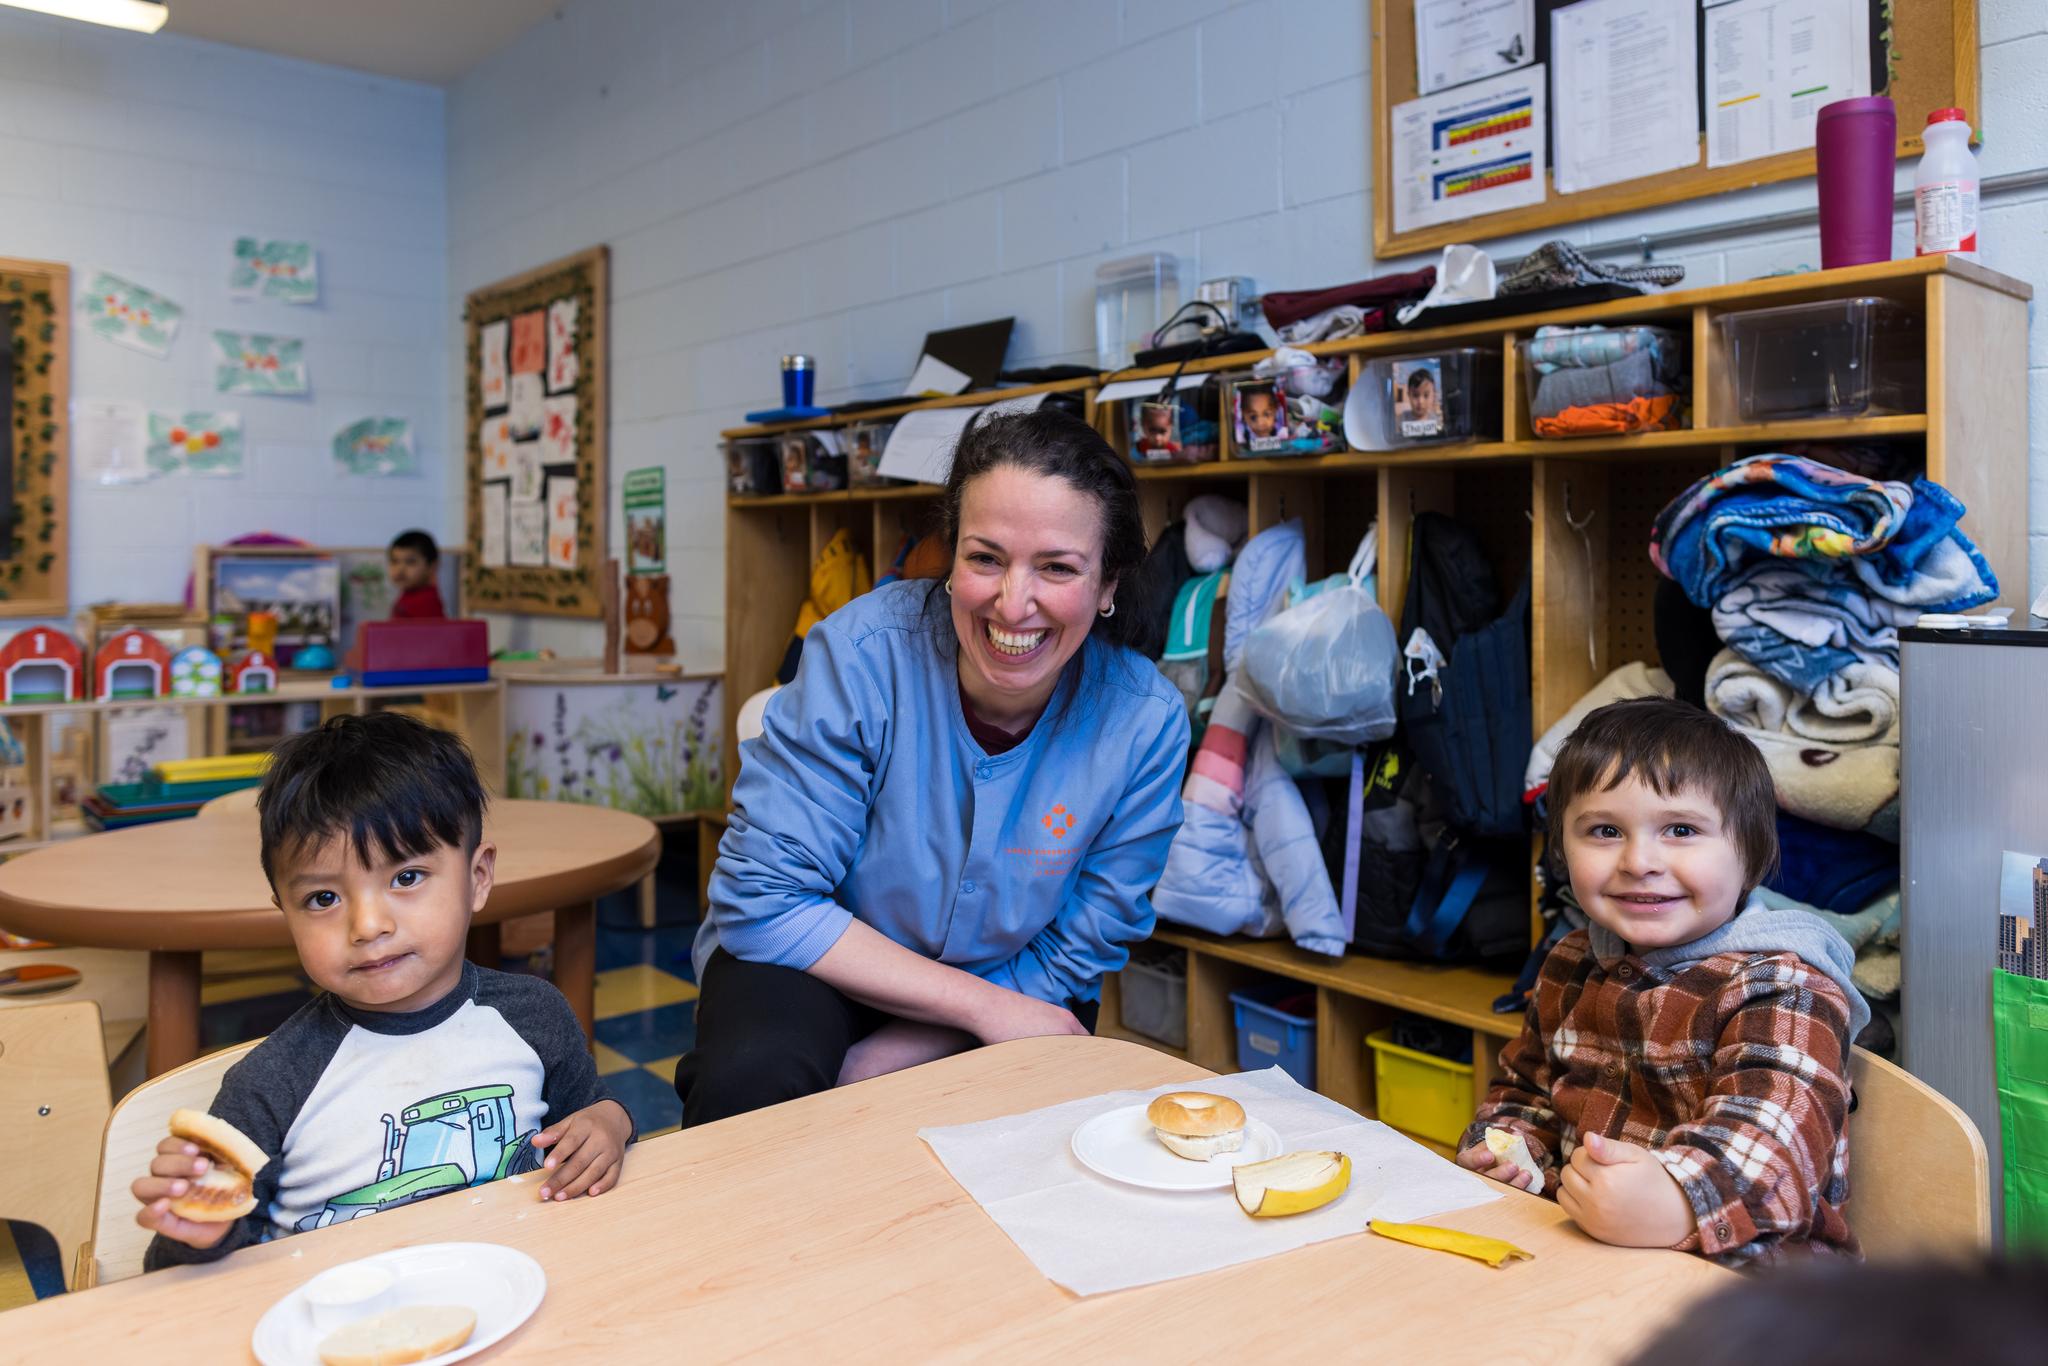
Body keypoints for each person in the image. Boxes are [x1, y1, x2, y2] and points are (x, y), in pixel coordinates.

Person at [677, 408, 1191, 1125]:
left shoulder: (1145, 722)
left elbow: (1081, 943)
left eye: (1057, 567)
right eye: (986, 558)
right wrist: (976, 1010)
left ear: (1109, 584)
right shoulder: (861, 656)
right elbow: (765, 903)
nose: (1013, 603)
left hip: (1023, 981)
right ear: (951, 558)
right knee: (753, 1078)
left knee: (1036, 1142)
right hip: (820, 960)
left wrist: (879, 1065)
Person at [133, 713, 631, 1269]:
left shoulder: (535, 1015)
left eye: (406, 877)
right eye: (323, 899)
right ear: (285, 912)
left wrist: (612, 1122)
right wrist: (198, 1233)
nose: (368, 926)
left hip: (519, 1280)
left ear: (478, 878)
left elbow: (589, 1121)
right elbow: (178, 1269)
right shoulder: (270, 1083)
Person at [1457, 696, 1865, 1267]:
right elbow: (1527, 1091)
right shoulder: (1570, 961)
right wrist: (1507, 1148)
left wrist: (1677, 1201)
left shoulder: (1784, 985)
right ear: (1562, 852)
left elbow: (1775, 1150)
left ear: (1749, 856)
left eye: (1680, 829)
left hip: (1757, 1287)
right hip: (1589, 1256)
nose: (1639, 861)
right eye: (1604, 830)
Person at [387, 530, 445, 618]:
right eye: (395, 561)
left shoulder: (427, 602)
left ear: (432, 566)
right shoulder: (408, 595)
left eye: (410, 562)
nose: (400, 569)